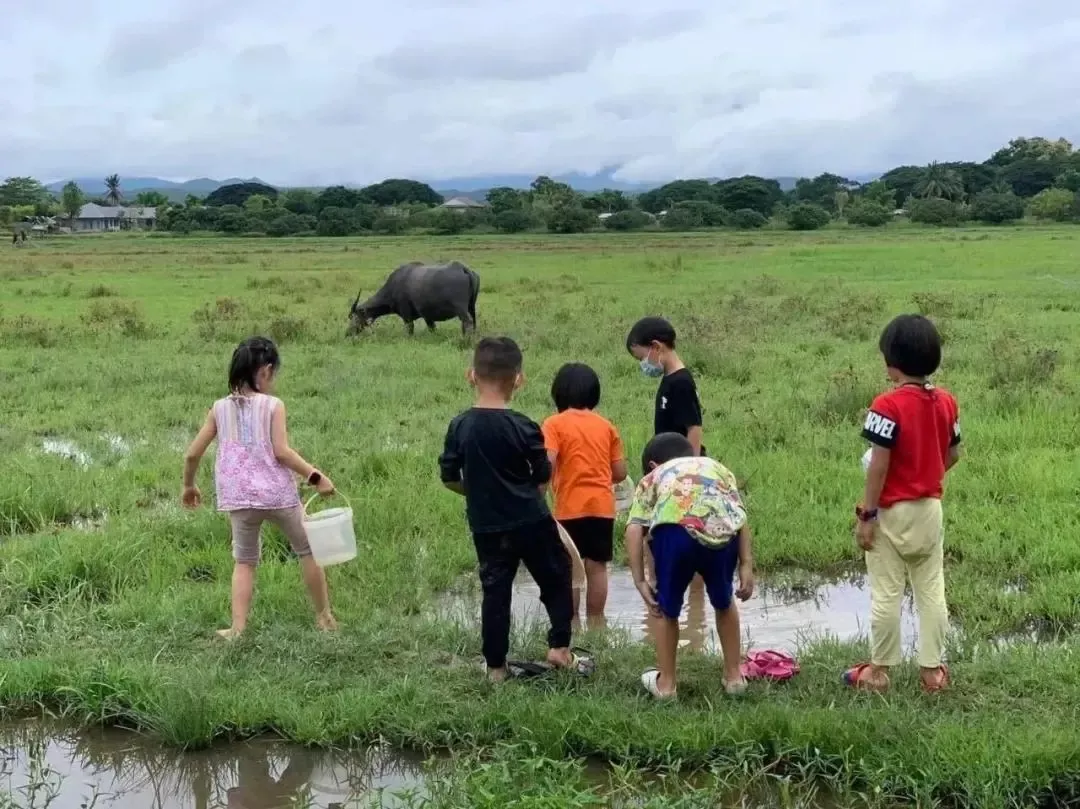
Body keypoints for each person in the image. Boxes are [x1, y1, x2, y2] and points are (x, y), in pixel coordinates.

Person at [439, 337, 593, 682]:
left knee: (495, 591)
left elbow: (449, 477)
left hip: (486, 524)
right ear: (519, 379)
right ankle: (559, 648)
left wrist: (479, 493)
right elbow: (541, 476)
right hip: (530, 519)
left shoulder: (460, 426)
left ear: (471, 375)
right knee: (557, 576)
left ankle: (496, 668)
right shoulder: (525, 426)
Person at [182, 336, 337, 640]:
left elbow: (192, 454)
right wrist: (316, 477)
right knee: (308, 551)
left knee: (245, 561)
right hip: (277, 495)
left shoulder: (218, 409)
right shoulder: (273, 406)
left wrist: (189, 485)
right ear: (265, 372)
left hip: (238, 498)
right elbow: (281, 451)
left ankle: (237, 629)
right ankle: (324, 618)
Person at [846, 314, 960, 694]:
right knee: (931, 590)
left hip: (891, 512)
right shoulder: (946, 401)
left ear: (889, 363)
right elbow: (954, 453)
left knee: (886, 592)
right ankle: (932, 671)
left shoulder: (886, 405)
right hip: (930, 509)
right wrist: (927, 472)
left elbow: (878, 465)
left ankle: (878, 671)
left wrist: (868, 514)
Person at [626, 432, 754, 700]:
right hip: (721, 535)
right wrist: (746, 565)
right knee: (723, 601)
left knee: (666, 610)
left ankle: (667, 684)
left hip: (676, 536)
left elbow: (635, 528)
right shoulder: (717, 468)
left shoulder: (653, 477)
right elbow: (739, 518)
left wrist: (640, 580)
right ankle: (734, 677)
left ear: (652, 465)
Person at [541, 363, 629, 624]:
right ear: (594, 394)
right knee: (597, 566)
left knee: (570, 569)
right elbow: (621, 471)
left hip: (569, 507)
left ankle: (571, 622)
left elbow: (549, 462)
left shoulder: (554, 423)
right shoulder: (606, 426)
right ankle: (597, 619)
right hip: (602, 507)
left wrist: (539, 490)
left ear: (558, 393)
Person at [625, 316, 706, 457]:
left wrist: (691, 466)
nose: (643, 364)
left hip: (682, 465)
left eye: (642, 358)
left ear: (656, 347)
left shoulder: (681, 382)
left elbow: (694, 427)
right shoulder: (669, 378)